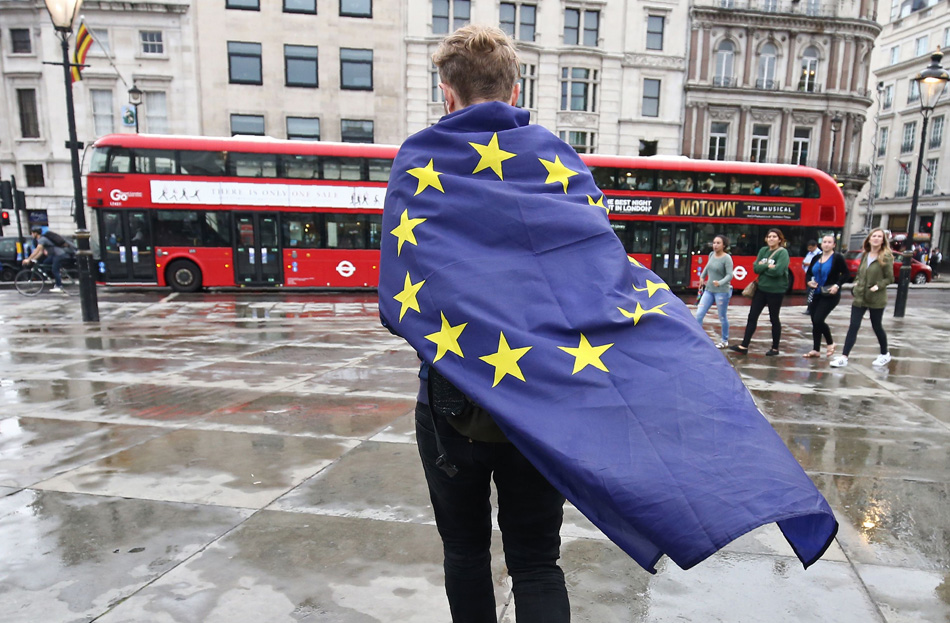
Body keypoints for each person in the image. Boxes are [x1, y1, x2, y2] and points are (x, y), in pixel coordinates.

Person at [394, 25, 571, 622]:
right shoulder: (556, 158)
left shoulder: (419, 159)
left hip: (451, 407)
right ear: (515, 87)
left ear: (448, 93)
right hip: (539, 407)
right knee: (538, 561)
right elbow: (597, 280)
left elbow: (400, 302)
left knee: (466, 555)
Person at [831, 228, 895, 368]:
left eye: (879, 236)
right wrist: (856, 286)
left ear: (883, 240)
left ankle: (885, 354)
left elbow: (890, 278)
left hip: (876, 298)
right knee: (853, 326)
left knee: (876, 326)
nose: (876, 238)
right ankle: (844, 357)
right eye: (874, 236)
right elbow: (860, 274)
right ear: (869, 239)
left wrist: (878, 286)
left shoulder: (886, 256)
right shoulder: (865, 254)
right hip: (860, 296)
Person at [730, 228, 790, 356]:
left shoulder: (782, 253)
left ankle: (775, 348)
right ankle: (744, 345)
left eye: (774, 237)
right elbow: (756, 268)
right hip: (761, 289)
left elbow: (778, 271)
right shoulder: (763, 251)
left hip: (776, 291)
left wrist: (764, 267)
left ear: (780, 239)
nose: (771, 239)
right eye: (769, 237)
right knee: (752, 316)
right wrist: (767, 266)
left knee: (774, 318)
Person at [802, 234, 848, 358]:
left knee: (818, 319)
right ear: (821, 244)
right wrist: (808, 282)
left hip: (830, 294)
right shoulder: (816, 257)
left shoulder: (837, 258)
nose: (826, 244)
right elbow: (809, 273)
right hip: (815, 293)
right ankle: (816, 349)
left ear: (834, 245)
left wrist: (837, 285)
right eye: (824, 242)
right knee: (814, 321)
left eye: (829, 242)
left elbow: (846, 274)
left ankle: (830, 342)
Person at [695, 234, 734, 348]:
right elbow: (707, 267)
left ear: (724, 245)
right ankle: (698, 338)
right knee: (699, 314)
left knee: (722, 316)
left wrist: (720, 282)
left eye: (718, 243)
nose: (715, 245)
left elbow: (729, 275)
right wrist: (702, 277)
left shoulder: (727, 258)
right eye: (714, 243)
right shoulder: (711, 255)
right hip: (709, 290)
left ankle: (724, 340)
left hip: (722, 291)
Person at [22, 226, 68, 293]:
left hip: (58, 255)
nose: (31, 235)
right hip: (54, 255)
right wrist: (34, 259)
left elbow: (36, 251)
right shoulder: (41, 239)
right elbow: (40, 252)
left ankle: (59, 286)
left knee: (54, 269)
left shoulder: (42, 239)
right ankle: (59, 274)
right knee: (45, 263)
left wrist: (28, 259)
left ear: (35, 233)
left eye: (32, 233)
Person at [801, 239, 820, 314]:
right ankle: (810, 308)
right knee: (809, 292)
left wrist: (807, 264)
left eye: (811, 248)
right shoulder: (809, 253)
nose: (809, 249)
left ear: (815, 246)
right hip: (808, 274)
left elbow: (816, 264)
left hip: (814, 276)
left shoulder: (819, 254)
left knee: (811, 292)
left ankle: (811, 309)